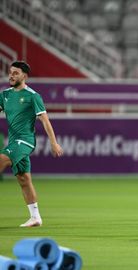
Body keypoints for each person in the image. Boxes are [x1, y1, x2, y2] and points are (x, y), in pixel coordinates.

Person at [0, 61, 63, 227]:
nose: (11, 75)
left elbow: (45, 120)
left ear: (24, 76)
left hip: (25, 141)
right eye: (10, 72)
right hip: (14, 141)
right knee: (23, 178)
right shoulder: (4, 95)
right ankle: (35, 217)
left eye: (15, 73)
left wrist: (54, 143)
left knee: (1, 161)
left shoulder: (32, 96)